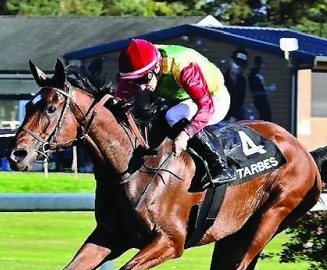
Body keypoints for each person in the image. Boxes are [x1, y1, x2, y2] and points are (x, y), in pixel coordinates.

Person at [115, 37, 236, 185]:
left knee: (173, 115)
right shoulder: (140, 68)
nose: (140, 87)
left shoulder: (183, 67)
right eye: (135, 81)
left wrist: (185, 135)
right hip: (181, 97)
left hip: (213, 98)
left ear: (156, 68)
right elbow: (118, 100)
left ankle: (218, 166)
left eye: (144, 80)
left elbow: (206, 107)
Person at [223, 48, 249, 121]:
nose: (239, 67)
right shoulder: (221, 79)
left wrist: (235, 116)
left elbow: (239, 103)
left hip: (235, 121)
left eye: (242, 65)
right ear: (231, 61)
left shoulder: (242, 82)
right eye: (237, 63)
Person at [248, 55, 273, 121]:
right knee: (265, 117)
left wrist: (268, 89)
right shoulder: (253, 75)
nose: (263, 66)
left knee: (267, 117)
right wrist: (266, 91)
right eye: (262, 63)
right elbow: (254, 90)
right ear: (258, 64)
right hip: (259, 100)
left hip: (263, 99)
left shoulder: (258, 74)